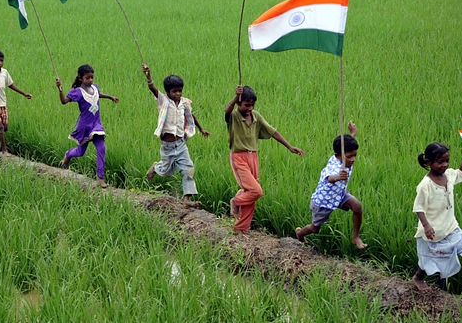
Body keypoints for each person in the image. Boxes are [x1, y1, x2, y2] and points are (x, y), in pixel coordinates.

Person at [226, 85, 304, 233]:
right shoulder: (234, 116)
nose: (249, 108)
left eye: (252, 105)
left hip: (253, 157)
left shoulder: (256, 116)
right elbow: (227, 110)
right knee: (256, 191)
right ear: (238, 104)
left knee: (251, 195)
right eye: (246, 105)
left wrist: (289, 146)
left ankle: (241, 229)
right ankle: (235, 201)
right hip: (239, 157)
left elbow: (273, 132)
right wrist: (236, 96)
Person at [412, 142, 462, 291]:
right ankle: (418, 277)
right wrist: (426, 226)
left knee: (454, 249)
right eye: (440, 161)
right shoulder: (425, 185)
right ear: (428, 163)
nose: (445, 165)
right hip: (433, 229)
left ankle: (443, 282)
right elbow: (418, 207)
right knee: (429, 256)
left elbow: (461, 174)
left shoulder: (448, 176)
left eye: (447, 161)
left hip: (449, 225)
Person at [142, 64, 210, 208]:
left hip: (180, 144)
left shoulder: (184, 103)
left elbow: (191, 116)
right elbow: (152, 89)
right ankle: (155, 167)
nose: (178, 94)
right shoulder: (163, 101)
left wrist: (202, 129)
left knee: (188, 169)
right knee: (166, 172)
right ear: (167, 92)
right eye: (174, 91)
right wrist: (148, 77)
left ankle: (186, 199)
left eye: (180, 91)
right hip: (167, 146)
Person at [296, 122, 367, 249]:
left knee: (357, 206)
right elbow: (330, 178)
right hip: (324, 201)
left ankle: (355, 237)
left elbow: (347, 146)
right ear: (338, 156)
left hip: (339, 195)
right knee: (315, 228)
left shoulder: (342, 153)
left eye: (355, 155)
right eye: (350, 156)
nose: (353, 159)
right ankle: (300, 234)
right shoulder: (334, 166)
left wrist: (353, 133)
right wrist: (339, 177)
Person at [56, 64, 119, 188]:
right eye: (87, 78)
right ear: (80, 79)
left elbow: (97, 95)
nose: (90, 80)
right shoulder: (77, 92)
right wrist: (60, 89)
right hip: (85, 126)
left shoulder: (94, 88)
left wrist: (110, 97)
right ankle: (68, 154)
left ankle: (100, 178)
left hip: (96, 125)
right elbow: (64, 101)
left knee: (101, 148)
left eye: (91, 77)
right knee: (80, 152)